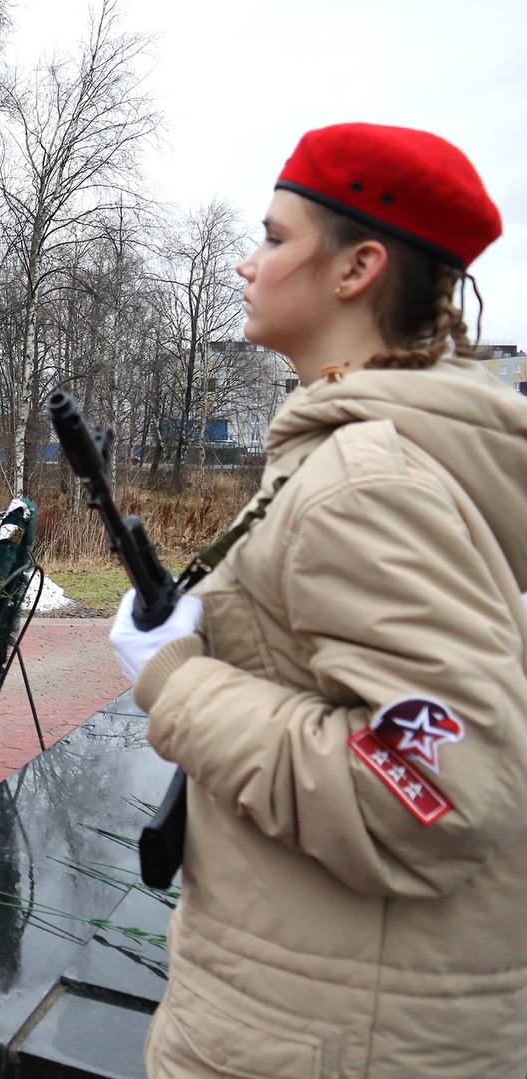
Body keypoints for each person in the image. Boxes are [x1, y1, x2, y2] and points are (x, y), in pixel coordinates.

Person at [109, 123, 527, 1077]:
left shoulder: (366, 479)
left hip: (328, 1040)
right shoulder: (369, 454)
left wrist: (175, 681)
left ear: (358, 267)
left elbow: (440, 792)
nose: (248, 265)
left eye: (274, 236)